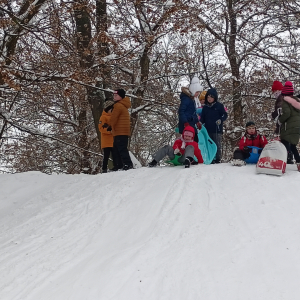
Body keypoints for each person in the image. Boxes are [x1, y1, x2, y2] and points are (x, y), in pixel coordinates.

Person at [200, 88, 227, 163]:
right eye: (208, 97)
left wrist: (221, 119)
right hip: (207, 129)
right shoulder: (205, 108)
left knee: (217, 143)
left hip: (217, 129)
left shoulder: (219, 106)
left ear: (215, 98)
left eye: (211, 97)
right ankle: (210, 158)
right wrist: (200, 123)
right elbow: (203, 118)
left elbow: (224, 115)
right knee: (209, 144)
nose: (209, 99)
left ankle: (217, 158)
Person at [278, 81, 300, 171]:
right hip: (297, 126)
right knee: (293, 145)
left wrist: (280, 120)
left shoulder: (285, 101)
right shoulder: (297, 101)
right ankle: (299, 163)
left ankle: (281, 162)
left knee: (284, 142)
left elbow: (287, 113)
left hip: (289, 126)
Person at [270, 80, 294, 164]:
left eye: (275, 91)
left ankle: (287, 156)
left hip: (284, 123)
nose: (274, 93)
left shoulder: (281, 98)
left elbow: (280, 110)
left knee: (284, 140)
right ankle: (288, 156)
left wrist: (274, 115)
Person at [110, 89, 133, 171]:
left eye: (116, 95)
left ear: (121, 96)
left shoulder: (118, 106)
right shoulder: (123, 105)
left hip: (119, 131)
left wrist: (110, 126)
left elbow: (113, 118)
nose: (114, 97)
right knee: (117, 148)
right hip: (123, 131)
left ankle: (127, 164)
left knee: (120, 148)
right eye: (114, 95)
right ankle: (119, 165)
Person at [178, 77, 202, 143]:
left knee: (195, 140)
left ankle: (192, 152)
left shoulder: (192, 100)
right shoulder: (186, 99)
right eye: (197, 92)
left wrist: (197, 121)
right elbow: (181, 111)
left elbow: (193, 113)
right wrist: (185, 122)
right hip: (186, 125)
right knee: (191, 141)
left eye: (198, 93)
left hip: (191, 124)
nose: (197, 94)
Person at [99, 100, 117, 173]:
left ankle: (116, 166)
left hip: (113, 140)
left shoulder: (113, 117)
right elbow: (101, 128)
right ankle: (104, 168)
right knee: (106, 155)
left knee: (114, 154)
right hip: (106, 140)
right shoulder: (103, 117)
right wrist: (110, 131)